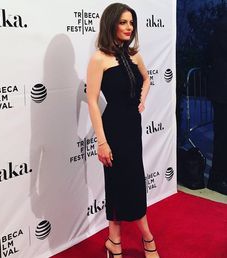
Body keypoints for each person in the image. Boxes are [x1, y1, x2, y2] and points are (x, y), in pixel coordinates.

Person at [87, 3, 160, 258]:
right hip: (113, 130)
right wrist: (101, 142)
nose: (129, 27)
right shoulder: (99, 59)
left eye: (131, 23)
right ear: (111, 24)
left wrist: (142, 99)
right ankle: (126, 241)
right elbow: (93, 101)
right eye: (123, 22)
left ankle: (118, 241)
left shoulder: (134, 55)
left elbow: (147, 78)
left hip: (133, 127)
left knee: (134, 182)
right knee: (116, 183)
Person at [206, 7, 227, 195]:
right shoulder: (222, 27)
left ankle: (220, 176)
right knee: (222, 138)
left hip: (220, 91)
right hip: (222, 93)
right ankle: (216, 179)